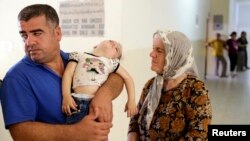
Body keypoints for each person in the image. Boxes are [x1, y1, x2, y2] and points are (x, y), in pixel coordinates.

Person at [0, 4, 124, 141]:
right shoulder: (16, 78)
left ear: (57, 33)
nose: (29, 42)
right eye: (24, 35)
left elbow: (116, 76)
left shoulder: (76, 60)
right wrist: (75, 132)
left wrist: (105, 95)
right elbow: (20, 133)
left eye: (37, 33)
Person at [127, 30, 212, 141]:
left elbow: (199, 134)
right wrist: (132, 136)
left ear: (175, 56)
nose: (152, 54)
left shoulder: (195, 90)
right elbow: (135, 118)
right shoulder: (151, 85)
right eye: (153, 48)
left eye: (159, 50)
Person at [62, 40, 137, 124]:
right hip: (75, 103)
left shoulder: (111, 63)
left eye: (117, 49)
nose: (114, 44)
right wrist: (66, 96)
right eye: (111, 41)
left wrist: (131, 100)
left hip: (97, 106)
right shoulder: (78, 55)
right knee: (74, 134)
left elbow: (127, 78)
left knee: (96, 135)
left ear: (115, 58)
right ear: (95, 46)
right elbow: (68, 74)